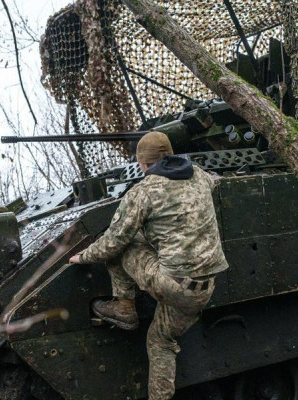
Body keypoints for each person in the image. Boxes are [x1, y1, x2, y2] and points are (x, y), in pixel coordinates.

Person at [68, 131, 229, 400]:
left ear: (143, 164)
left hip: (172, 285)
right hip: (204, 288)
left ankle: (123, 305)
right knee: (160, 341)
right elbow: (216, 180)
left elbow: (113, 242)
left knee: (124, 244)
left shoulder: (143, 191)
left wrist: (82, 256)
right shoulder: (200, 176)